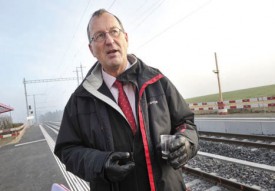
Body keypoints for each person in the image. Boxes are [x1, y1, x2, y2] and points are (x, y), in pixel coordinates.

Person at [54, 8, 199, 191]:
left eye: (114, 31)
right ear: (91, 49)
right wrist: (101, 163)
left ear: (126, 38)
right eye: (99, 36)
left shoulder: (157, 82)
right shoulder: (80, 99)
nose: (109, 40)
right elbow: (67, 150)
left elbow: (186, 122)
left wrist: (186, 141)